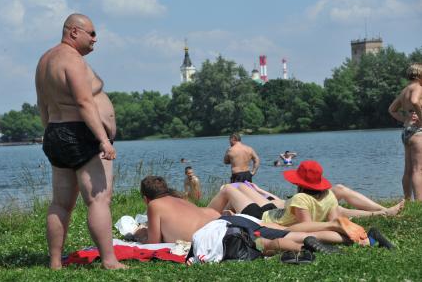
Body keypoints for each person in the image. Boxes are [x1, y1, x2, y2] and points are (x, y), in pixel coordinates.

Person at [35, 13, 125, 269]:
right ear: (74, 32)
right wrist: (103, 140)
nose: (96, 39)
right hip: (80, 133)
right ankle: (109, 260)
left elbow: (42, 104)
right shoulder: (71, 59)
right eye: (92, 33)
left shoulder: (44, 60)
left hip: (56, 131)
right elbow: (85, 103)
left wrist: (50, 132)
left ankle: (55, 262)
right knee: (98, 199)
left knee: (60, 202)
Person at [138, 176, 394, 258]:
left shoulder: (156, 206)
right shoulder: (186, 205)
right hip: (232, 221)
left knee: (269, 243)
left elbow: (152, 245)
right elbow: (214, 214)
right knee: (284, 233)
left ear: (147, 198)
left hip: (219, 234)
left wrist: (138, 235)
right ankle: (365, 240)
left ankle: (311, 244)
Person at [207, 163, 404, 221]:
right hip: (275, 208)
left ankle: (203, 217)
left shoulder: (301, 200)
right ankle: (383, 211)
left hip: (269, 213)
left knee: (229, 188)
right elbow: (280, 202)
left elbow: (283, 205)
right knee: (240, 187)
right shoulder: (324, 198)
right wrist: (261, 191)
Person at [388, 63, 422, 201]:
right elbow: (415, 101)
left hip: (406, 132)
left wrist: (404, 119)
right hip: (417, 132)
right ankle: (419, 203)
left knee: (408, 170)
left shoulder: (405, 90)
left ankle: (408, 200)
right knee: (418, 170)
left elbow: (391, 109)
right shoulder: (418, 87)